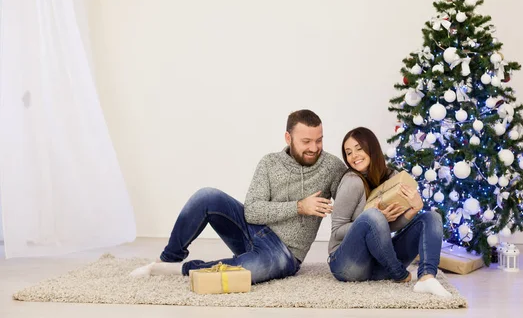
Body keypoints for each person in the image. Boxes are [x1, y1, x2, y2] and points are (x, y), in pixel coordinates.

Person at [130, 109, 347, 283]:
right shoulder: (269, 163)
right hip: (252, 230)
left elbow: (351, 199)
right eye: (306, 141)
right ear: (288, 138)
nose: (314, 148)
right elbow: (251, 211)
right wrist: (299, 207)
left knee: (250, 270)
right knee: (206, 196)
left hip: (286, 253)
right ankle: (167, 259)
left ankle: (182, 270)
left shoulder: (331, 167)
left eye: (319, 140)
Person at [327, 127, 451, 297]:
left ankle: (427, 277)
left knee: (431, 217)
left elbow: (389, 227)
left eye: (359, 149)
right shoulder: (352, 181)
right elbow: (336, 232)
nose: (353, 156)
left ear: (372, 148)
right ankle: (398, 273)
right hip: (347, 265)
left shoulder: (392, 177)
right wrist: (371, 218)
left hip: (377, 265)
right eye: (348, 153)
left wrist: (414, 208)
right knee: (372, 215)